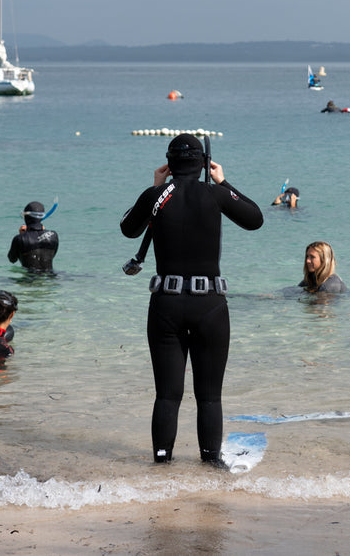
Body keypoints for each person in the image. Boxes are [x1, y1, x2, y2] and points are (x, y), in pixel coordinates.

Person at [120, 133, 264, 466]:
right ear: (203, 163)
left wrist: (156, 187)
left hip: (166, 304)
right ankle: (210, 463)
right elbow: (255, 219)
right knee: (210, 397)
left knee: (167, 395)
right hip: (209, 304)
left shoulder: (156, 196)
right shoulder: (216, 194)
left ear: (168, 165)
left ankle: (161, 463)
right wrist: (223, 181)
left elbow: (128, 228)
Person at [7, 201, 59, 272]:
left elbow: (12, 259)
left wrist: (22, 235)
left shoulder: (19, 238)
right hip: (51, 275)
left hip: (30, 277)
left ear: (26, 217)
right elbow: (51, 255)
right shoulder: (53, 235)